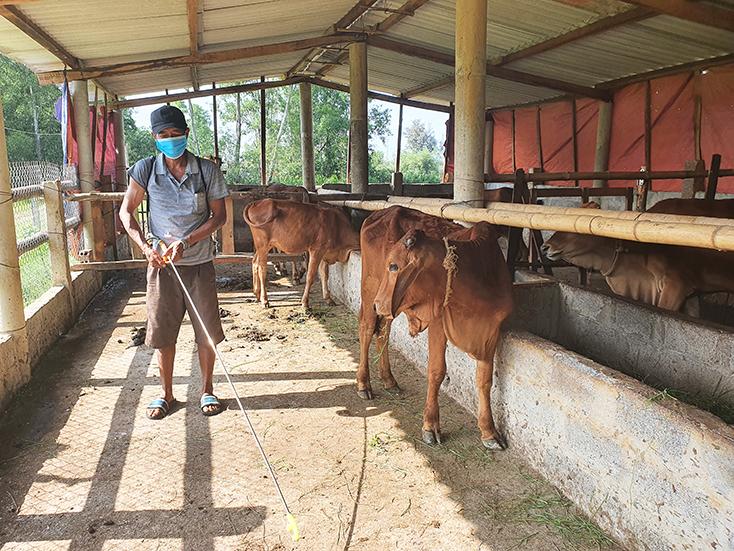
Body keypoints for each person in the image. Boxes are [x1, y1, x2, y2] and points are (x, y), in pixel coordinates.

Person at [120, 105, 230, 420]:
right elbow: (126, 212)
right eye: (163, 135)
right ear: (155, 138)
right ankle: (166, 394)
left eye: (175, 134)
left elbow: (219, 216)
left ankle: (207, 389)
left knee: (206, 331)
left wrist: (187, 240)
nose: (170, 140)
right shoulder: (144, 170)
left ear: (186, 133)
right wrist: (145, 246)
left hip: (198, 264)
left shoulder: (207, 171)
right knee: (163, 332)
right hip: (161, 267)